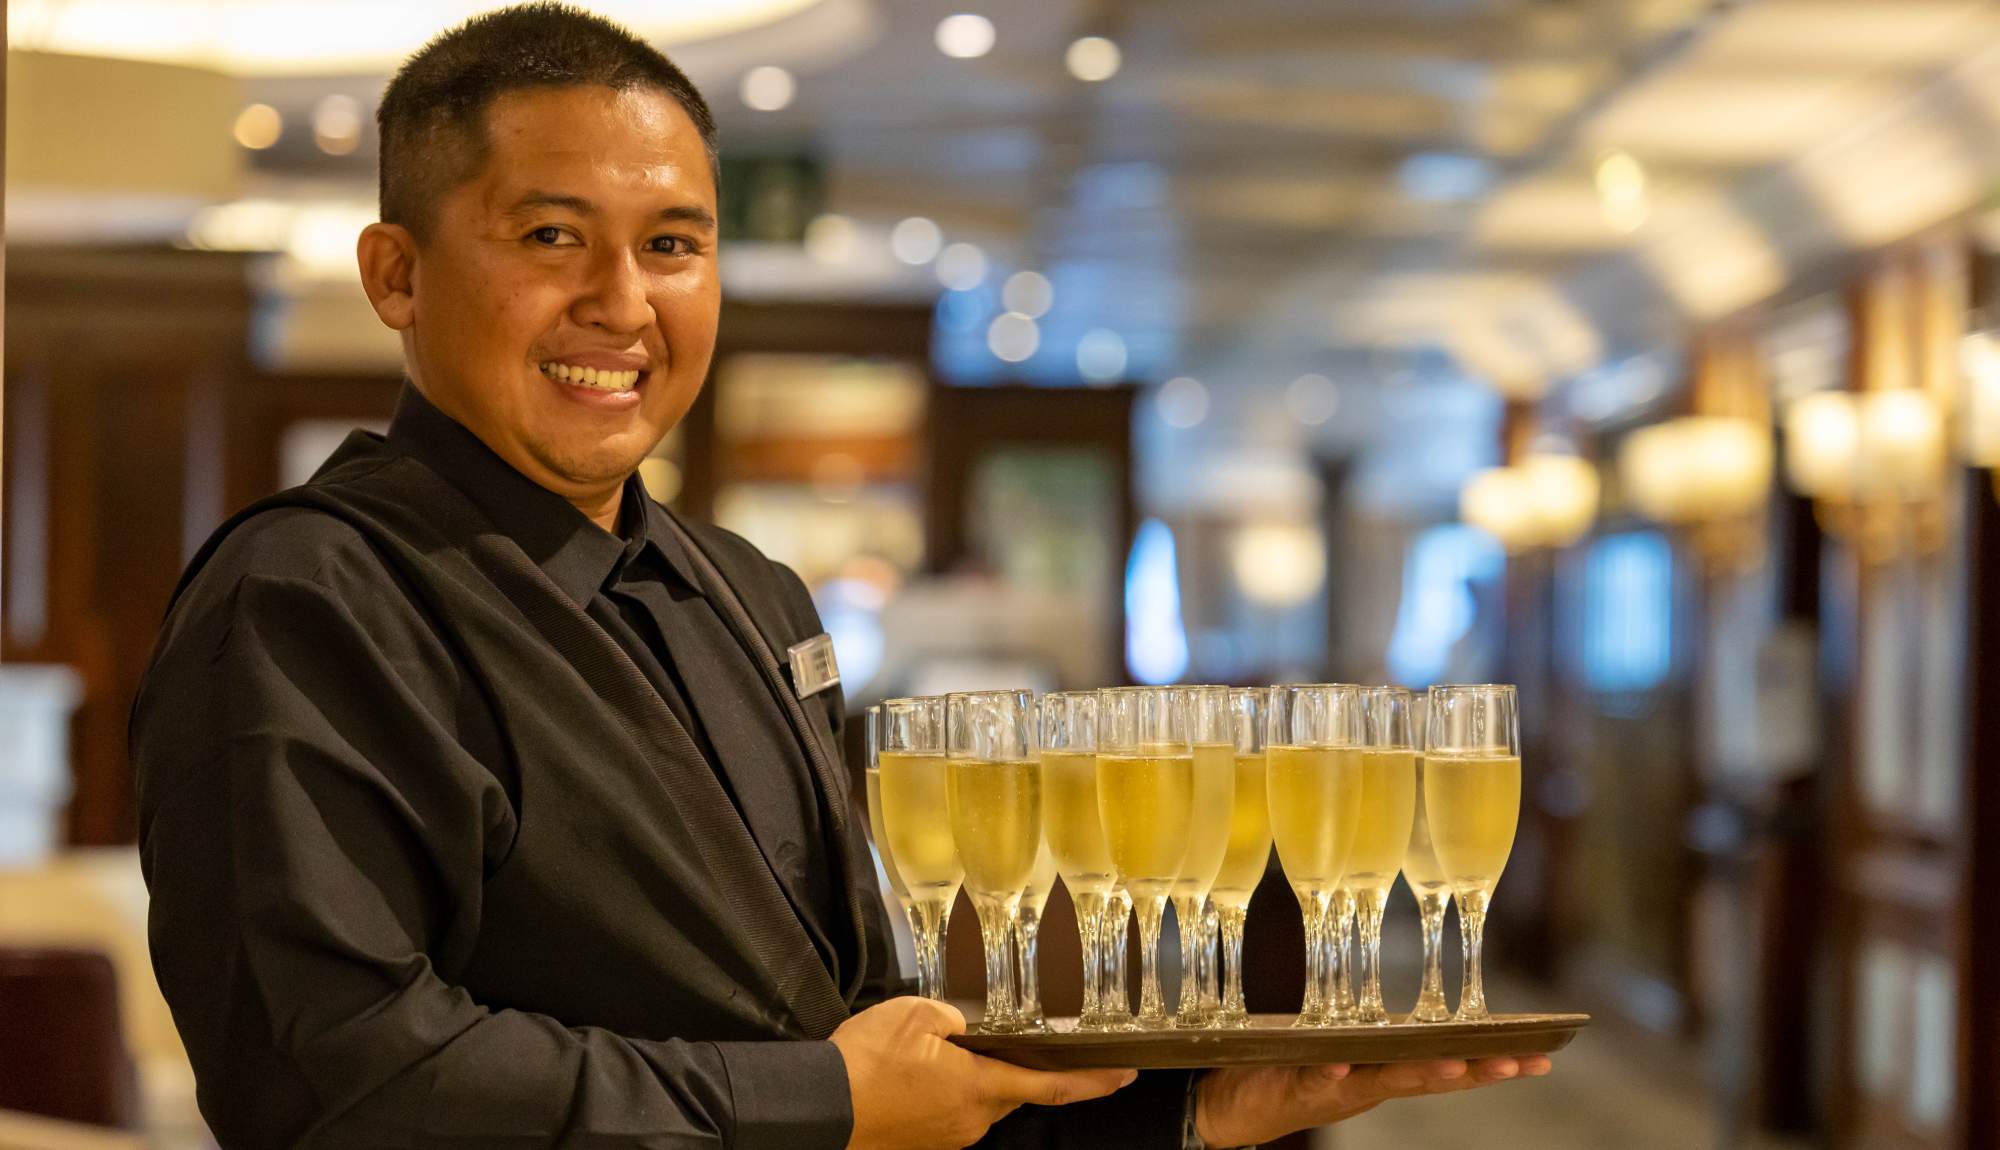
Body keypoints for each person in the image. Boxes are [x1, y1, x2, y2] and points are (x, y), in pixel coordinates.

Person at [130, 5, 1549, 1146]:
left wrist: (1193, 1110)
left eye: (673, 245)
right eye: (550, 236)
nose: (622, 301)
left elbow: (871, 1041)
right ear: (397, 274)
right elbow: (340, 1085)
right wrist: (823, 1102)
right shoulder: (310, 598)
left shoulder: (752, 594)